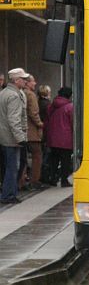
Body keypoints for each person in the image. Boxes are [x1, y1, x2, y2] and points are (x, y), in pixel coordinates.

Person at [0, 68, 29, 204]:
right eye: (23, 79)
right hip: (12, 139)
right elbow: (14, 120)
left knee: (8, 166)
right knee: (13, 167)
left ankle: (8, 193)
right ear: (16, 80)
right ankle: (8, 195)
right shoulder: (14, 96)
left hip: (4, 136)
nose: (25, 81)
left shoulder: (4, 93)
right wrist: (21, 139)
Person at [46, 87, 73, 187]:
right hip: (66, 138)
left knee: (54, 160)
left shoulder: (51, 106)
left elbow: (48, 119)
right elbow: (72, 123)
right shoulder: (70, 107)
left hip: (53, 137)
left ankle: (53, 178)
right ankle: (64, 180)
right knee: (65, 160)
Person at [24, 75, 45, 190]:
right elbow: (33, 112)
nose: (35, 83)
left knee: (23, 157)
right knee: (37, 155)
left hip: (22, 131)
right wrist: (40, 123)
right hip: (31, 131)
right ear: (27, 83)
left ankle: (21, 181)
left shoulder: (21, 93)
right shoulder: (31, 95)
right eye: (33, 81)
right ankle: (34, 180)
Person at [38, 85, 52, 184]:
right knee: (46, 155)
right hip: (45, 130)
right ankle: (44, 176)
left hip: (42, 130)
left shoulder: (39, 102)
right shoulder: (47, 104)